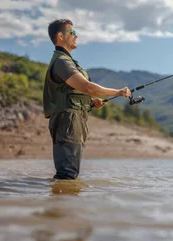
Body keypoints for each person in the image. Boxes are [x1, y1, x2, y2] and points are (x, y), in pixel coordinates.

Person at [43, 19, 131, 180]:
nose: (76, 36)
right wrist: (118, 92)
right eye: (73, 33)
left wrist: (90, 102)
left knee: (69, 173)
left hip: (73, 119)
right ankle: (62, 204)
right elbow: (88, 87)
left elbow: (71, 92)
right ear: (60, 36)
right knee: (67, 173)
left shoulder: (66, 61)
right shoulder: (62, 62)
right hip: (69, 121)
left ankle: (61, 203)